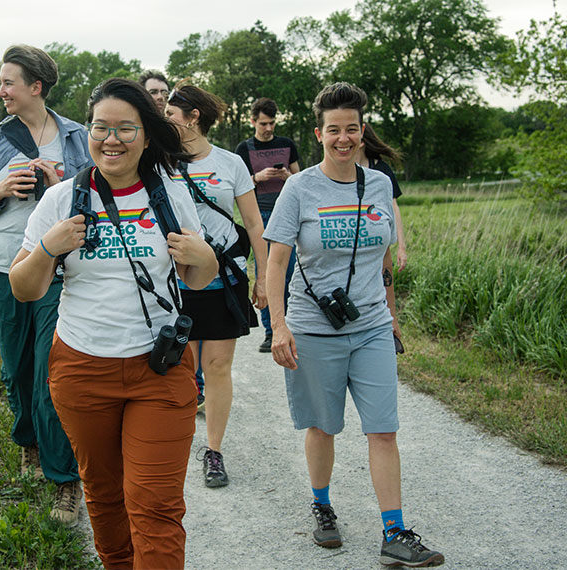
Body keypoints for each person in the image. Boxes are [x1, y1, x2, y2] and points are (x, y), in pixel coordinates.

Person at [9, 78, 218, 569]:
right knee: (103, 495)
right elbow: (24, 287)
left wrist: (203, 255)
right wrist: (48, 248)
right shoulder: (62, 200)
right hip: (82, 369)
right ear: (88, 134)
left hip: (159, 370)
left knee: (155, 505)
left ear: (146, 134)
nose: (112, 140)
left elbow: (199, 276)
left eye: (126, 128)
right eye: (101, 128)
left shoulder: (169, 196)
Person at [264, 82, 444, 567]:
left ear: (362, 131)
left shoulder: (379, 184)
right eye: (333, 130)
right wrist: (279, 326)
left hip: (370, 328)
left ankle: (394, 531)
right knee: (323, 427)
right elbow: (276, 262)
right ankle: (322, 506)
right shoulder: (299, 190)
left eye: (351, 129)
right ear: (319, 133)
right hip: (312, 329)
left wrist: (392, 313)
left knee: (383, 430)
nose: (343, 138)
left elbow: (382, 257)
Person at [0, 44, 90, 525]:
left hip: (57, 268)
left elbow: (98, 195)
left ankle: (64, 480)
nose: (1, 91)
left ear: (36, 86)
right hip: (0, 265)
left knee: (51, 371)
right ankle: (28, 443)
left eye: (8, 82)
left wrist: (62, 182)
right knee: (16, 369)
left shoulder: (78, 135)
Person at [164, 83, 268, 488]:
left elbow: (255, 223)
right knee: (183, 369)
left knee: (218, 367)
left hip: (226, 278)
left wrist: (262, 275)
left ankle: (214, 451)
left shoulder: (230, 163)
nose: (166, 122)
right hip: (179, 281)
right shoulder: (161, 164)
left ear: (193, 117)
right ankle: (175, 443)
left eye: (172, 115)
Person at [235, 98, 300, 353]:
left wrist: (287, 176)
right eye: (264, 123)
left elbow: (301, 178)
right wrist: (256, 177)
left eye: (272, 123)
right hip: (259, 212)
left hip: (286, 211)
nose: (269, 128)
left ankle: (288, 324)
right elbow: (239, 185)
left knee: (290, 270)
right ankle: (270, 330)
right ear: (253, 122)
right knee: (266, 269)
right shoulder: (244, 148)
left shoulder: (287, 145)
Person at [357, 123, 408, 271]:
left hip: (376, 247)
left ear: (361, 141)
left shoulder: (381, 171)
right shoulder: (340, 173)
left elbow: (393, 207)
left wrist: (401, 248)